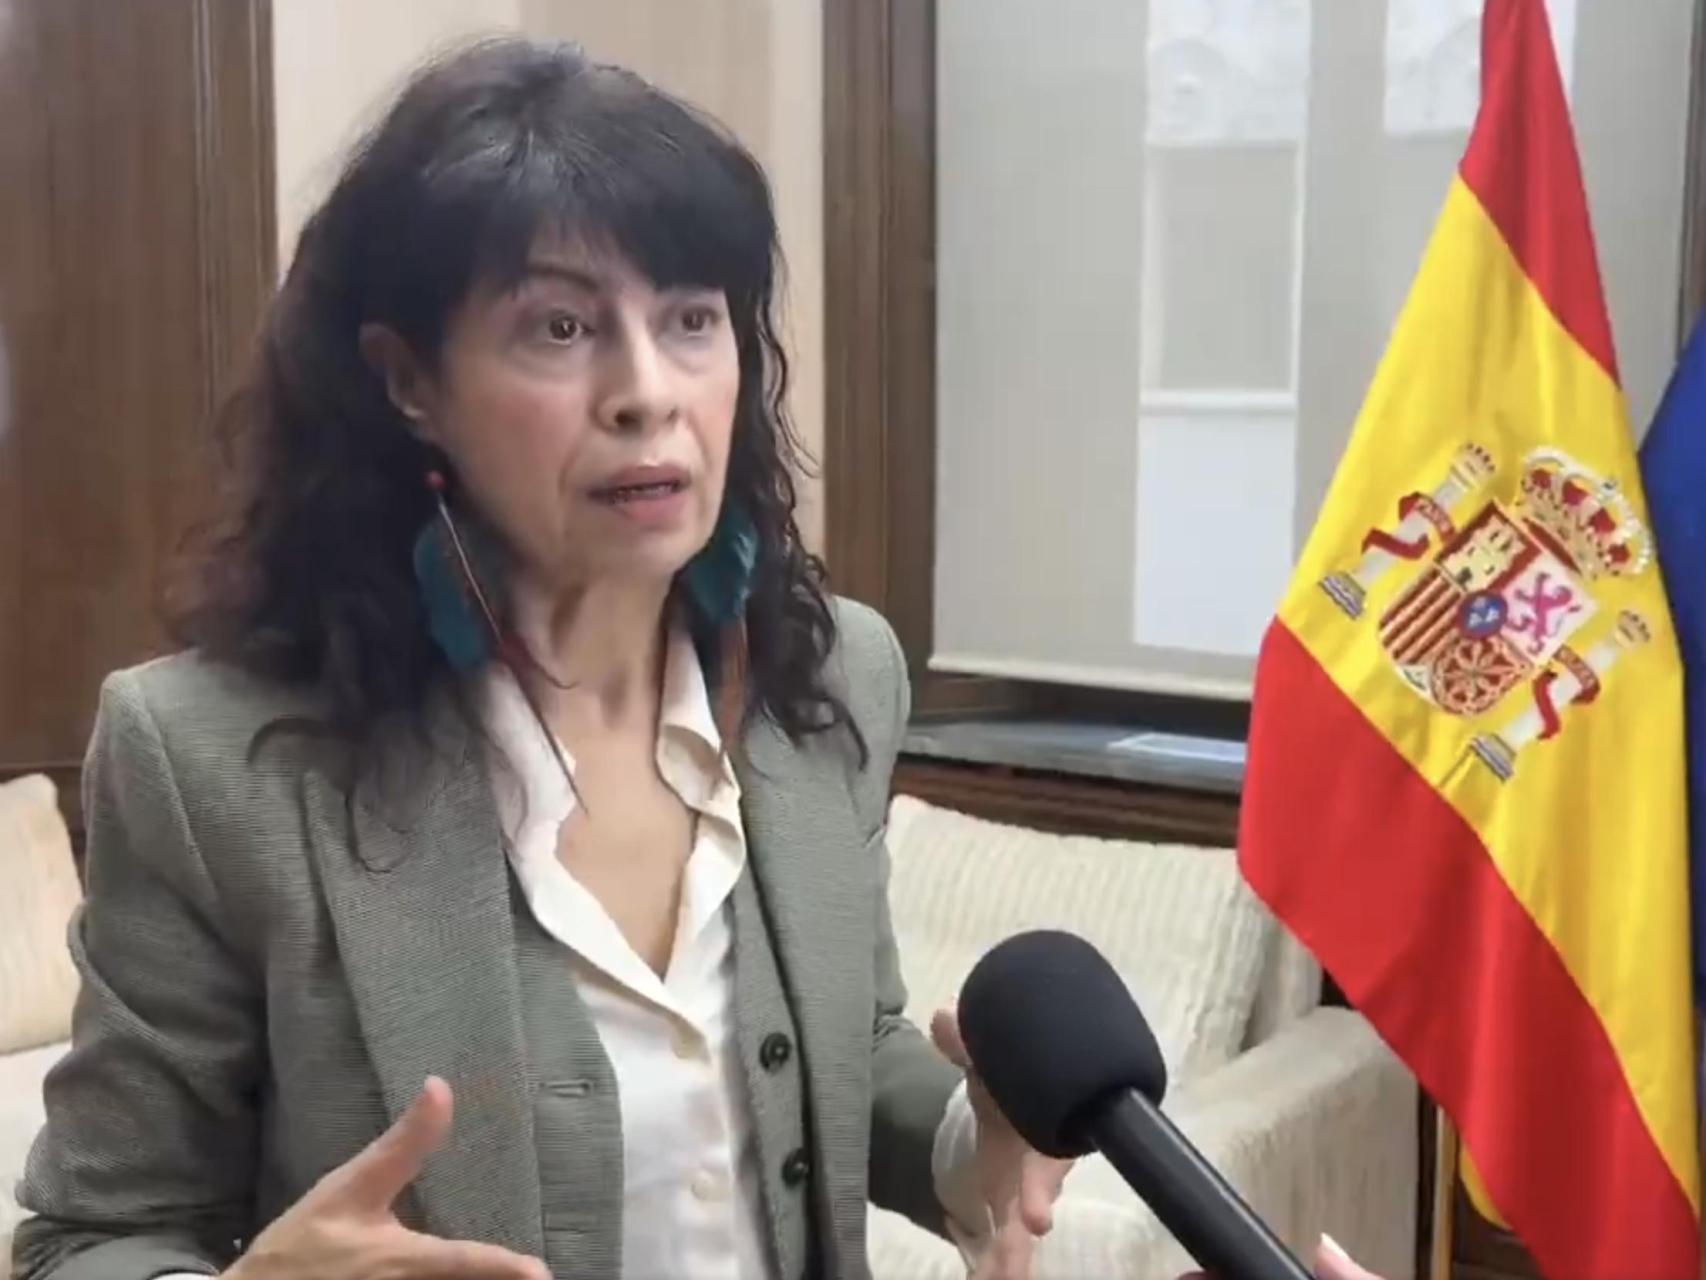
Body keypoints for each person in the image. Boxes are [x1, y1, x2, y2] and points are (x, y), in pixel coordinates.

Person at [11, 36, 1379, 1280]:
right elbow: (90, 1235)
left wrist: (972, 1144)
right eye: (560, 328)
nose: (647, 392)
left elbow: (834, 1050)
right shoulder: (208, 758)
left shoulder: (829, 678)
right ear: (408, 378)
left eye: (690, 318)